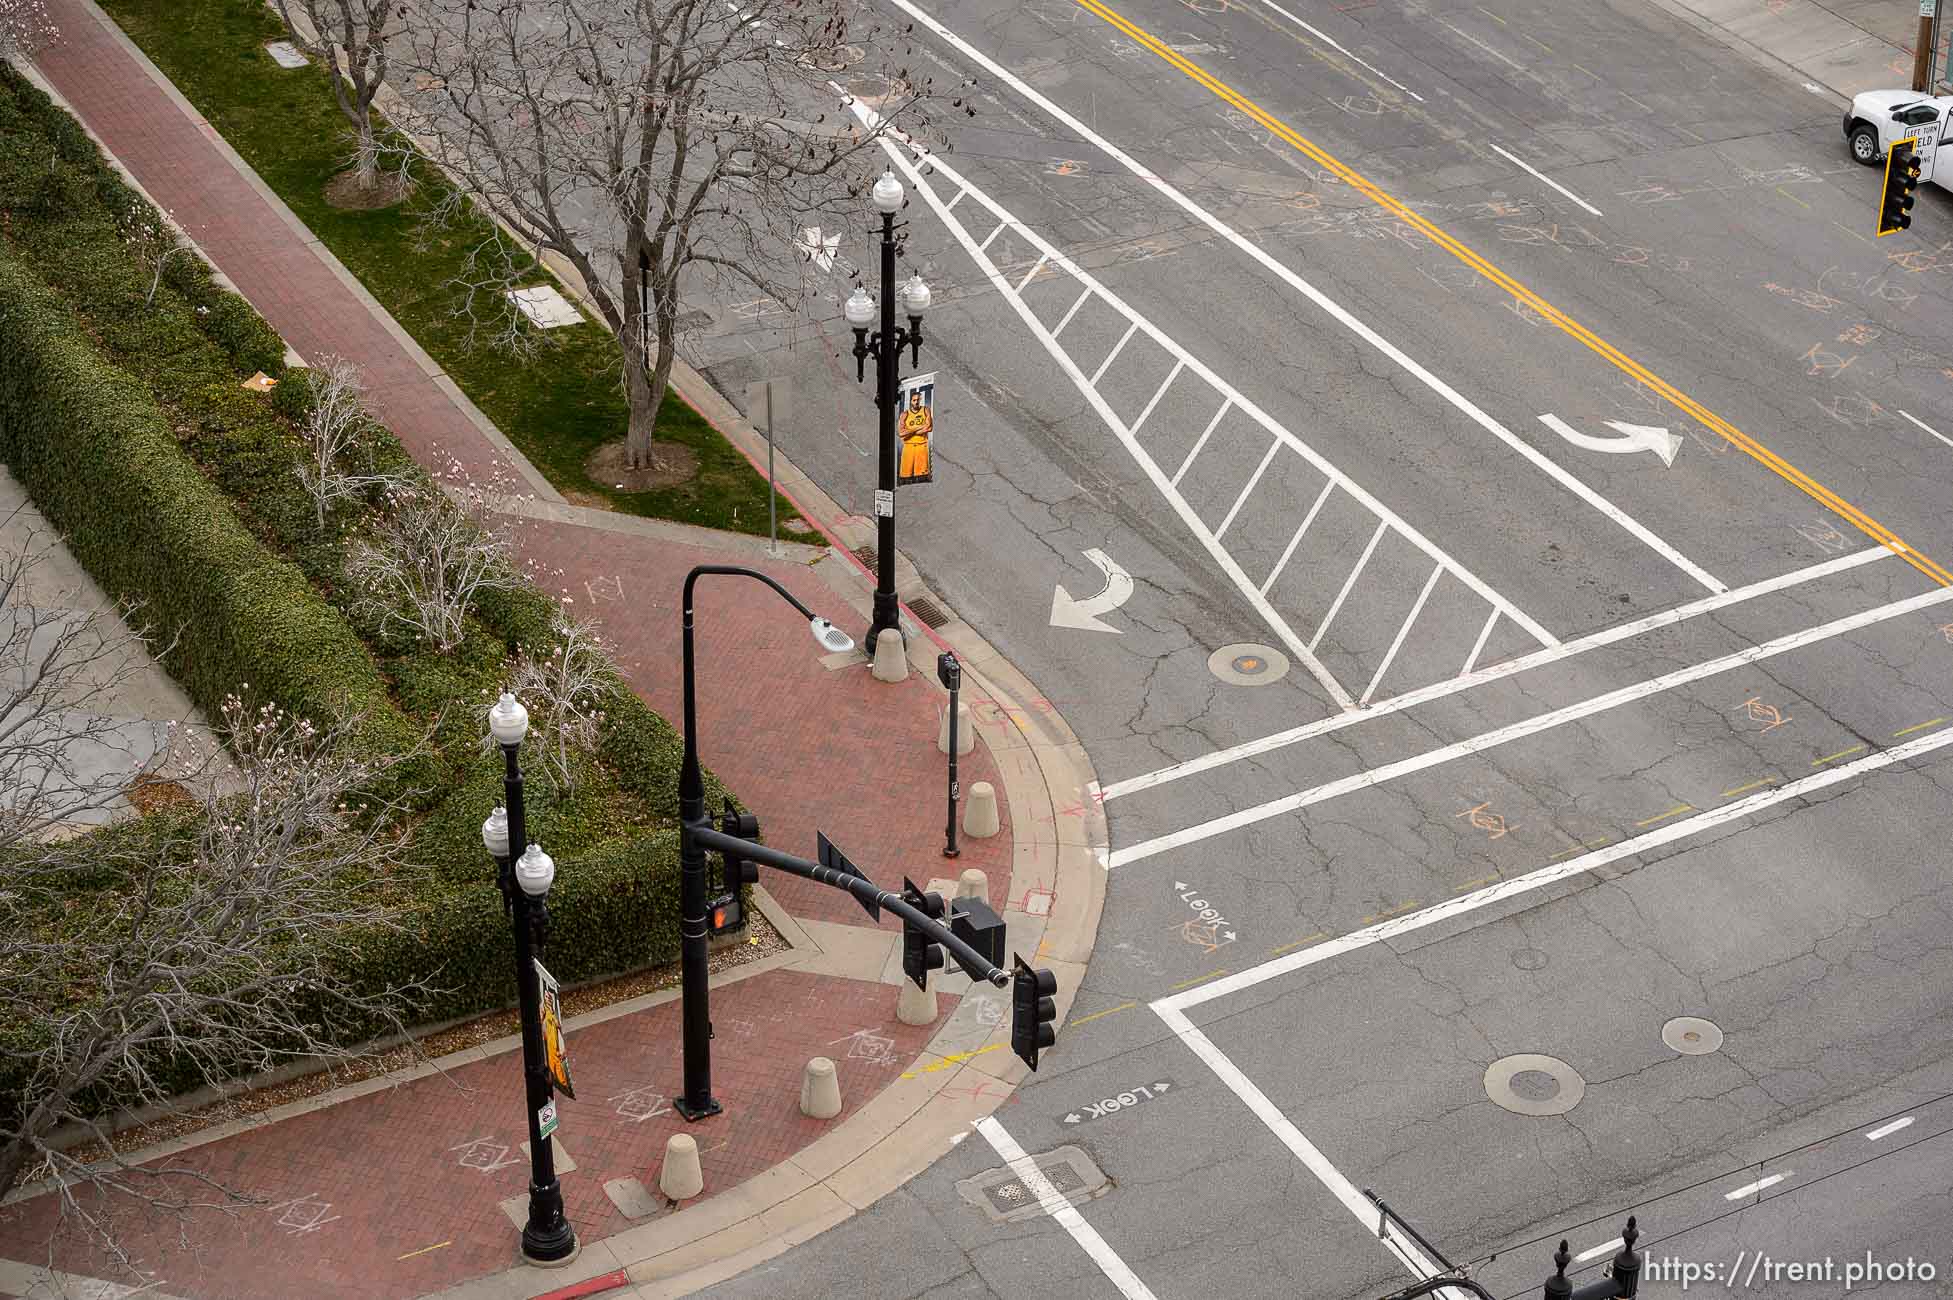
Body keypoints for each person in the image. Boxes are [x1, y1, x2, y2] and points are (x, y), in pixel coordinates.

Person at [899, 387, 933, 481]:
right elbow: (901, 433)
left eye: (918, 400)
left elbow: (929, 427)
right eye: (914, 400)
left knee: (922, 477)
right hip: (908, 447)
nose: (916, 402)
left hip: (921, 446)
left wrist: (909, 431)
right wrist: (919, 427)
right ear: (910, 401)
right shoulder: (905, 414)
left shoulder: (925, 410)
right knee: (905, 477)